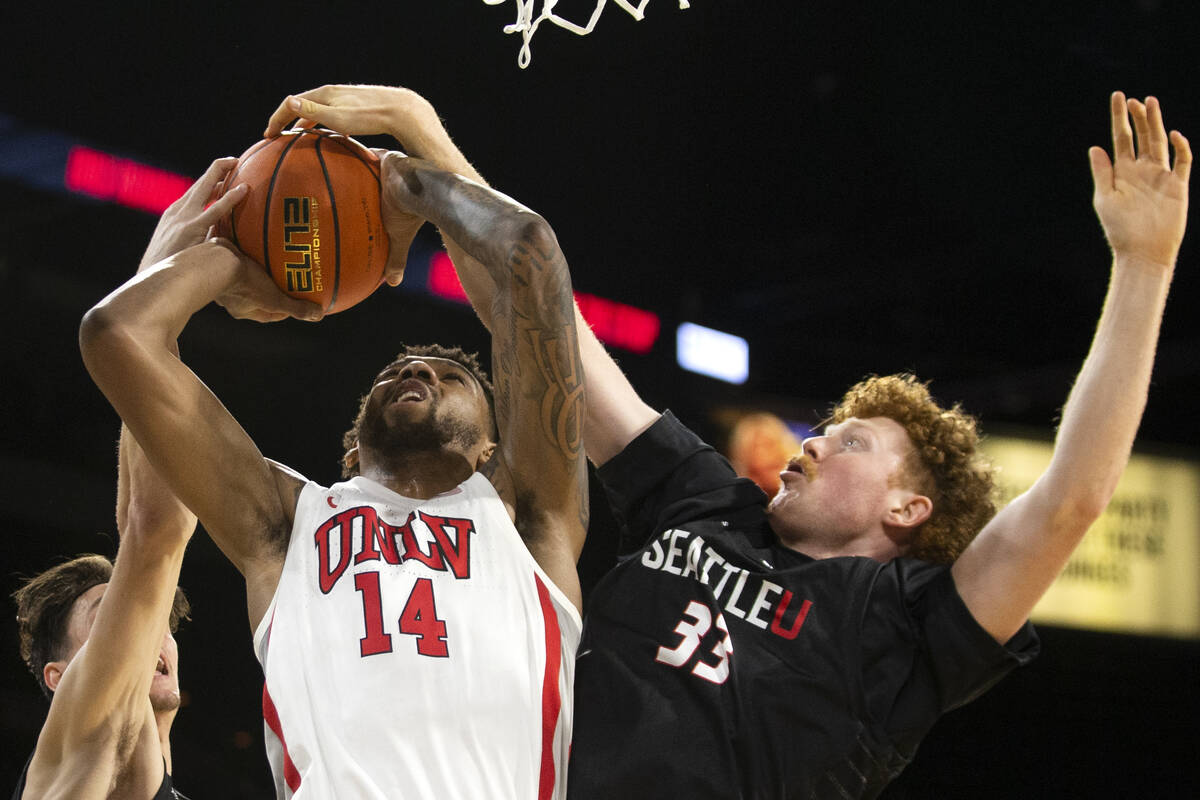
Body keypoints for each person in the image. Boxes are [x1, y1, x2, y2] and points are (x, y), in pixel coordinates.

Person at [557, 92, 1188, 798]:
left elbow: (1072, 499)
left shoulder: (904, 627)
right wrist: (443, 174)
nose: (815, 445)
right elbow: (557, 345)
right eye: (822, 431)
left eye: (850, 442)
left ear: (908, 507)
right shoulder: (707, 501)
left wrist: (1144, 263)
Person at [79, 87, 588, 799]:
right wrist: (232, 256)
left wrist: (401, 182)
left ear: (491, 451)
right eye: (399, 371)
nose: (416, 369)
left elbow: (530, 250)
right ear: (353, 449)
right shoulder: (289, 525)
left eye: (449, 376)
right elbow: (116, 335)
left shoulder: (528, 516)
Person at [10, 158, 245, 799]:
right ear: (61, 679)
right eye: (104, 612)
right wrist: (161, 287)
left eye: (143, 615)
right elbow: (156, 525)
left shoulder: (152, 782)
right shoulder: (84, 751)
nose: (145, 625)